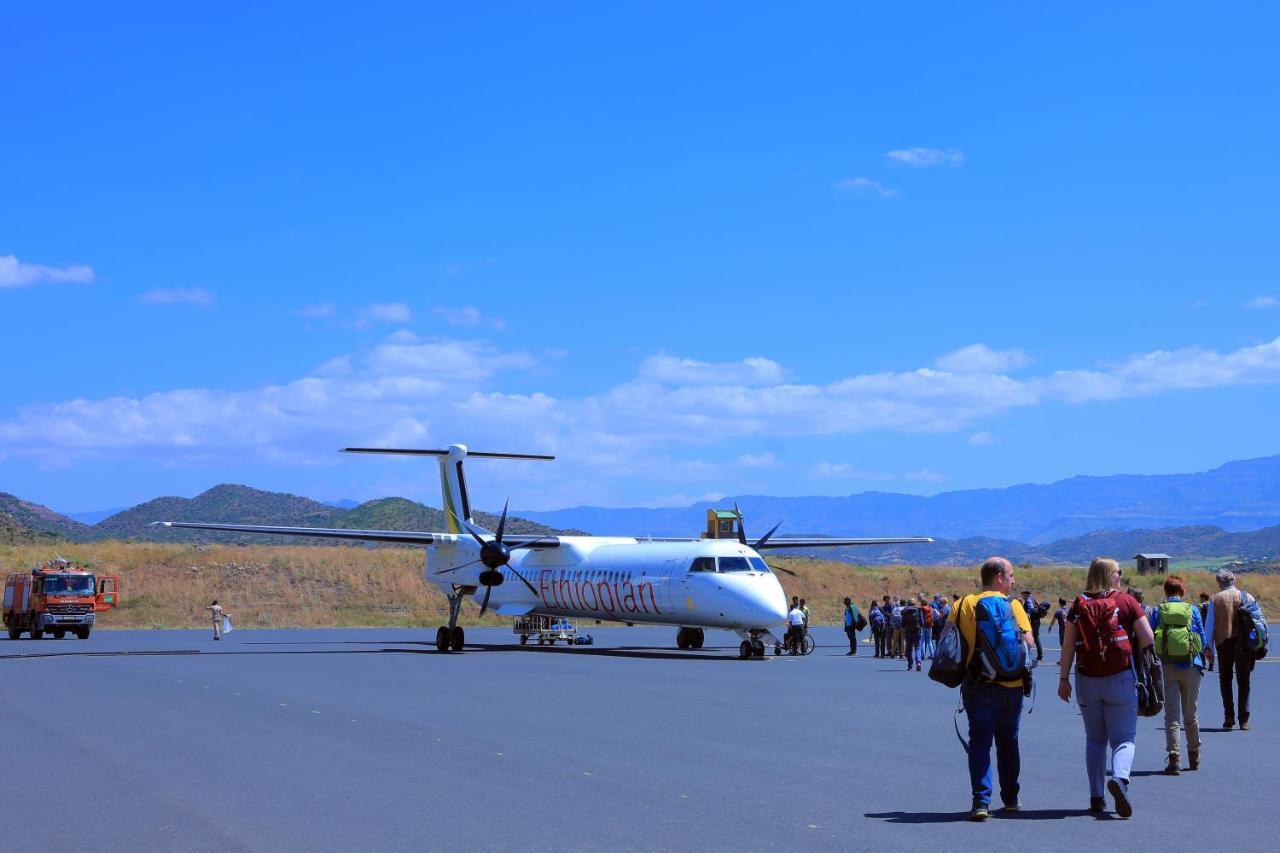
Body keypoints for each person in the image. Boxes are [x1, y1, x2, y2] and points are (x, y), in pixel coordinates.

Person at [1058, 558, 1155, 818]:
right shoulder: (1126, 602)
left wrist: (1063, 678)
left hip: (1088, 680)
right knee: (1124, 738)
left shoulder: (1078, 605)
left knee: (1095, 739)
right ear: (1111, 575)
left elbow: (1068, 645)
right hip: (1121, 677)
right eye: (1118, 572)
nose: (1121, 576)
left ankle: (1096, 796)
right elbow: (1148, 638)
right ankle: (1121, 779)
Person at [949, 557, 1033, 821]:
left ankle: (981, 801)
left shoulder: (963, 604)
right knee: (1009, 743)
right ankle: (1010, 799)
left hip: (978, 685)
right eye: (1010, 575)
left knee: (980, 743)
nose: (1013, 580)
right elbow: (1029, 642)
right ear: (998, 577)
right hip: (1012, 686)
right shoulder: (1014, 605)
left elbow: (948, 640)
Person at [1151, 575, 1207, 774]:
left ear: (1165, 591)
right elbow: (1203, 638)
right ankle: (1194, 754)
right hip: (1192, 666)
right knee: (1191, 713)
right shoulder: (1193, 610)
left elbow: (1150, 637)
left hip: (1167, 667)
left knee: (1172, 716)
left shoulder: (1158, 611)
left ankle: (1174, 757)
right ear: (1182, 591)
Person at [1204, 569, 1251, 730]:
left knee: (1225, 680)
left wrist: (1208, 648)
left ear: (1220, 582)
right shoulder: (1246, 596)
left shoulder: (1215, 599)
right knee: (1244, 681)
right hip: (1244, 644)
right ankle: (1244, 719)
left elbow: (1209, 626)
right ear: (1234, 580)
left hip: (1223, 643)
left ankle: (1229, 717)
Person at [1020, 590, 1045, 661]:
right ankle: (1039, 655)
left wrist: (1027, 615)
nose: (1022, 596)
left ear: (1026, 594)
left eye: (1023, 594)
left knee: (1034, 638)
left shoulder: (1028, 600)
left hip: (1034, 622)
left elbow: (1031, 610)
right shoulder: (1031, 599)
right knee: (1035, 638)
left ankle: (1039, 656)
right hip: (1035, 621)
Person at [901, 597, 922, 671]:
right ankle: (918, 663)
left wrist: (904, 628)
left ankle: (910, 665)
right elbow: (921, 622)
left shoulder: (905, 611)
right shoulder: (918, 610)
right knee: (917, 648)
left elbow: (902, 623)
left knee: (909, 649)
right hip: (917, 631)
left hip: (908, 631)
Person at [1197, 593, 1214, 671]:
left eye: (1200, 598)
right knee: (1211, 646)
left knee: (1202, 646)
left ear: (1203, 598)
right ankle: (1211, 664)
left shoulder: (1202, 605)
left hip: (1204, 628)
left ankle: (1203, 664)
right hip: (1213, 627)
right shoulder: (1212, 604)